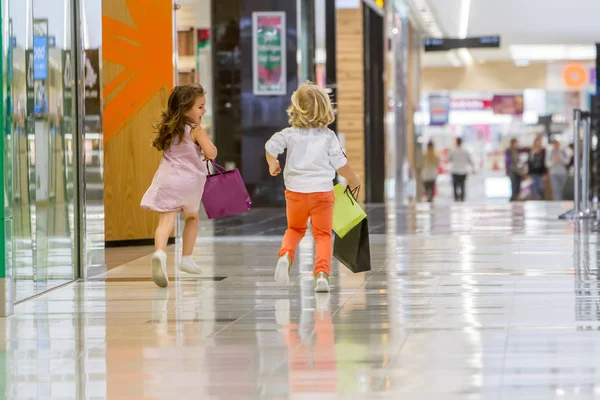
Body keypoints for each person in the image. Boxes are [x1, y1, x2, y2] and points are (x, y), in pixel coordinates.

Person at [265, 82, 360, 293]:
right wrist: (354, 179)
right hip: (321, 194)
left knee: (295, 229)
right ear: (325, 109)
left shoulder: (289, 134)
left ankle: (286, 256)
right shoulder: (328, 137)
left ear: (295, 108)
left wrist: (273, 162)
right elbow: (340, 163)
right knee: (323, 235)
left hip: (295, 193)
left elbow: (271, 146)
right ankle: (321, 275)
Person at [140, 83, 218, 288]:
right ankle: (186, 258)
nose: (204, 111)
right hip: (190, 183)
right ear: (185, 108)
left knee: (165, 222)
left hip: (168, 181)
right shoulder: (195, 130)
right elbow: (212, 153)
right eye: (200, 107)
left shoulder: (169, 128)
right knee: (191, 217)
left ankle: (159, 253)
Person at [448, 137, 474, 202]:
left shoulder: (453, 151)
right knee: (462, 186)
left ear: (456, 142)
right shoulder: (465, 151)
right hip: (463, 171)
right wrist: (473, 168)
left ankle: (456, 199)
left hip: (455, 171)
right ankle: (462, 199)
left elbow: (448, 159)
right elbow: (470, 161)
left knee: (455, 187)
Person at [527, 136, 547, 200]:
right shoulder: (531, 152)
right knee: (533, 189)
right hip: (533, 173)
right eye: (537, 142)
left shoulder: (543, 151)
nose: (538, 143)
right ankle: (534, 202)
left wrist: (545, 173)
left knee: (541, 189)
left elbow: (544, 163)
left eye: (539, 142)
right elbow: (529, 163)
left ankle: (542, 202)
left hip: (540, 173)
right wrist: (528, 173)